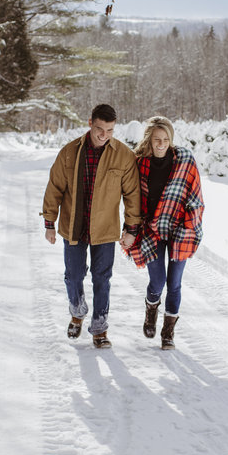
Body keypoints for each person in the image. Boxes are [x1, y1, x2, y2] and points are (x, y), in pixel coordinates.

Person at [41, 104, 141, 349]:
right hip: (73, 226)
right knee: (73, 276)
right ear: (90, 123)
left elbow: (132, 195)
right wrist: (49, 223)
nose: (103, 135)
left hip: (105, 229)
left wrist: (131, 228)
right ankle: (77, 311)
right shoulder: (69, 152)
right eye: (99, 129)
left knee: (102, 278)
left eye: (109, 130)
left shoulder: (124, 156)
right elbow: (54, 187)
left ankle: (99, 328)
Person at [125, 116, 204, 350]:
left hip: (180, 229)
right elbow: (133, 200)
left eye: (165, 139)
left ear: (171, 140)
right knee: (157, 281)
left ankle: (168, 331)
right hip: (152, 229)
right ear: (149, 140)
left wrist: (189, 225)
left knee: (175, 283)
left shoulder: (184, 160)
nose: (161, 144)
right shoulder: (140, 164)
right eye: (157, 139)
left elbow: (196, 195)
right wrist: (130, 228)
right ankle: (151, 307)